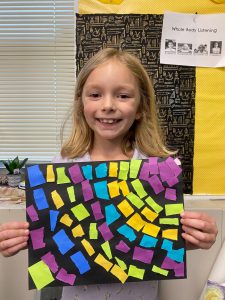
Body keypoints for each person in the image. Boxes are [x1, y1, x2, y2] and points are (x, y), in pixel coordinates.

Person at [0, 48, 218, 300]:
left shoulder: (156, 171)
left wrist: (193, 237)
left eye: (123, 95)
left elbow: (160, 241)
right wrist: (18, 239)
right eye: (95, 94)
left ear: (140, 108)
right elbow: (54, 241)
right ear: (81, 103)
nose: (107, 105)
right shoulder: (62, 166)